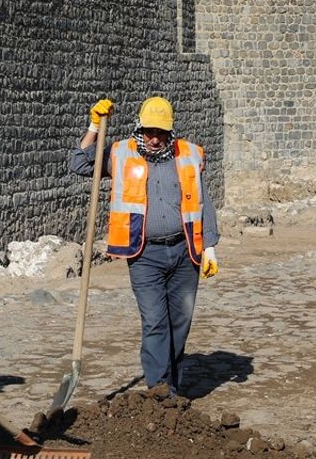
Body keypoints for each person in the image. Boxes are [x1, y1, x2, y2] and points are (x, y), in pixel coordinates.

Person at [68, 97, 219, 397]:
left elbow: (203, 200)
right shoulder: (120, 154)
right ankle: (159, 389)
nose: (154, 138)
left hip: (185, 251)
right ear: (139, 127)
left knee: (180, 322)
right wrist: (94, 126)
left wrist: (210, 247)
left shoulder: (187, 155)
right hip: (143, 254)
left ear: (169, 132)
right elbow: (79, 162)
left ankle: (172, 384)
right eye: (149, 131)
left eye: (160, 133)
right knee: (154, 321)